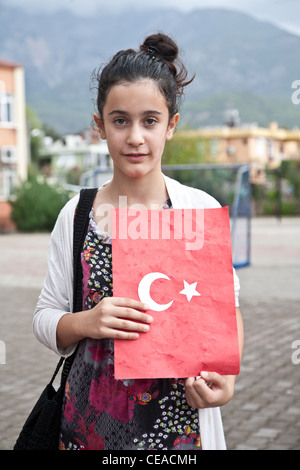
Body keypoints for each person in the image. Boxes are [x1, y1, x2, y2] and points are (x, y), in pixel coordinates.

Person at [33, 32, 244, 450]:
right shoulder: (78, 214)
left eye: (150, 120)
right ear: (99, 127)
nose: (135, 137)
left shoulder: (196, 210)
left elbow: (228, 313)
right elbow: (44, 318)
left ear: (171, 126)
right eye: (120, 120)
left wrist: (227, 380)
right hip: (88, 427)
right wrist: (86, 321)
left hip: (178, 428)